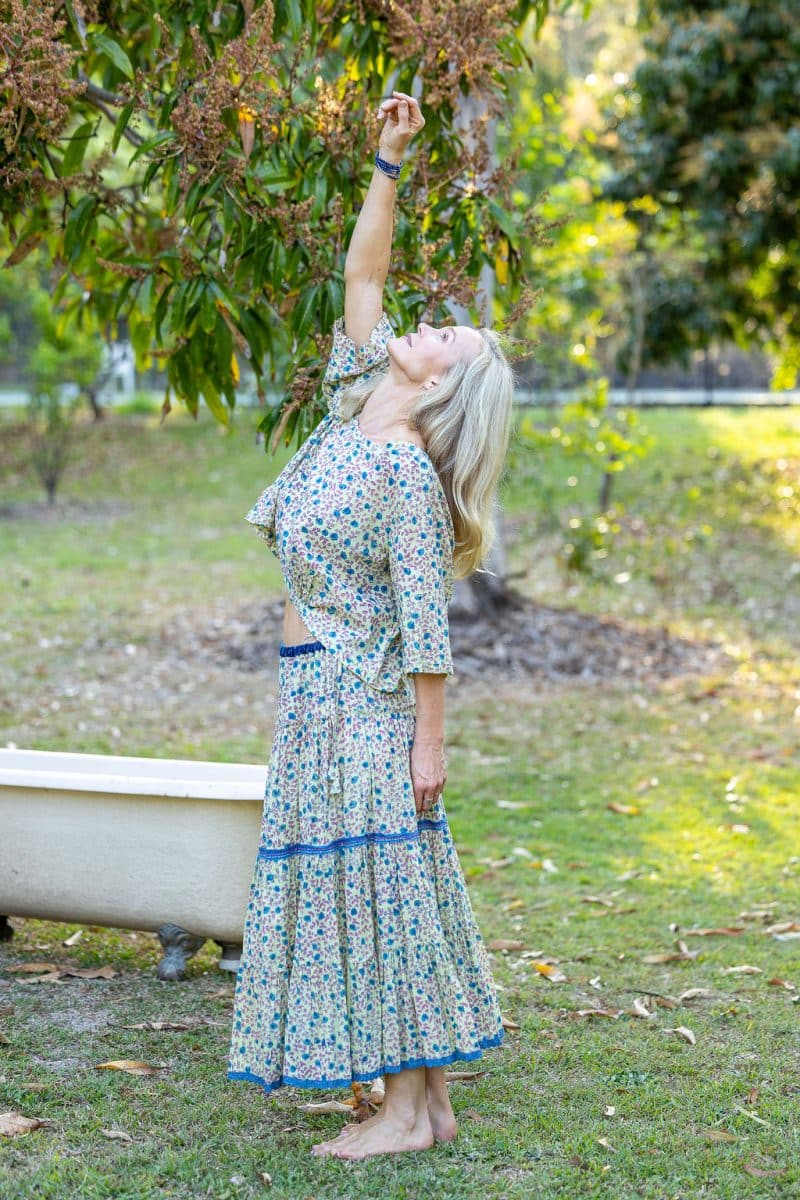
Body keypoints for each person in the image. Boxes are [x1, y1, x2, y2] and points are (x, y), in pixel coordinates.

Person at [226, 89, 516, 1162]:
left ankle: (402, 1113)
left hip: (360, 704)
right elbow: (361, 274)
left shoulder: (399, 465)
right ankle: (426, 1106)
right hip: (315, 698)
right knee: (385, 889)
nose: (421, 326)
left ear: (443, 385)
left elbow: (422, 615)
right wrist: (385, 162)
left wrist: (425, 739)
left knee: (378, 895)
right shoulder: (357, 396)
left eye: (443, 334)